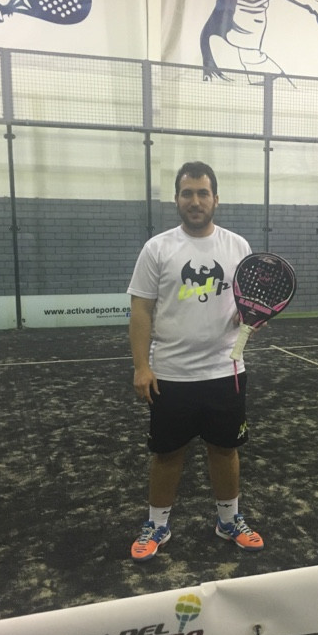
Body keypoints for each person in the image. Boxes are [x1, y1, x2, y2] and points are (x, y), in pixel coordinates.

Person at [127, 161, 264, 562]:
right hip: (170, 374)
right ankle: (157, 524)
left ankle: (229, 520)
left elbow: (247, 306)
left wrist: (251, 320)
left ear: (215, 199)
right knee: (167, 454)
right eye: (187, 193)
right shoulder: (157, 249)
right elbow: (140, 311)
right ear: (176, 200)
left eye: (203, 193)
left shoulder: (238, 247)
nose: (195, 201)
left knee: (225, 449)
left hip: (226, 371)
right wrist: (141, 366)